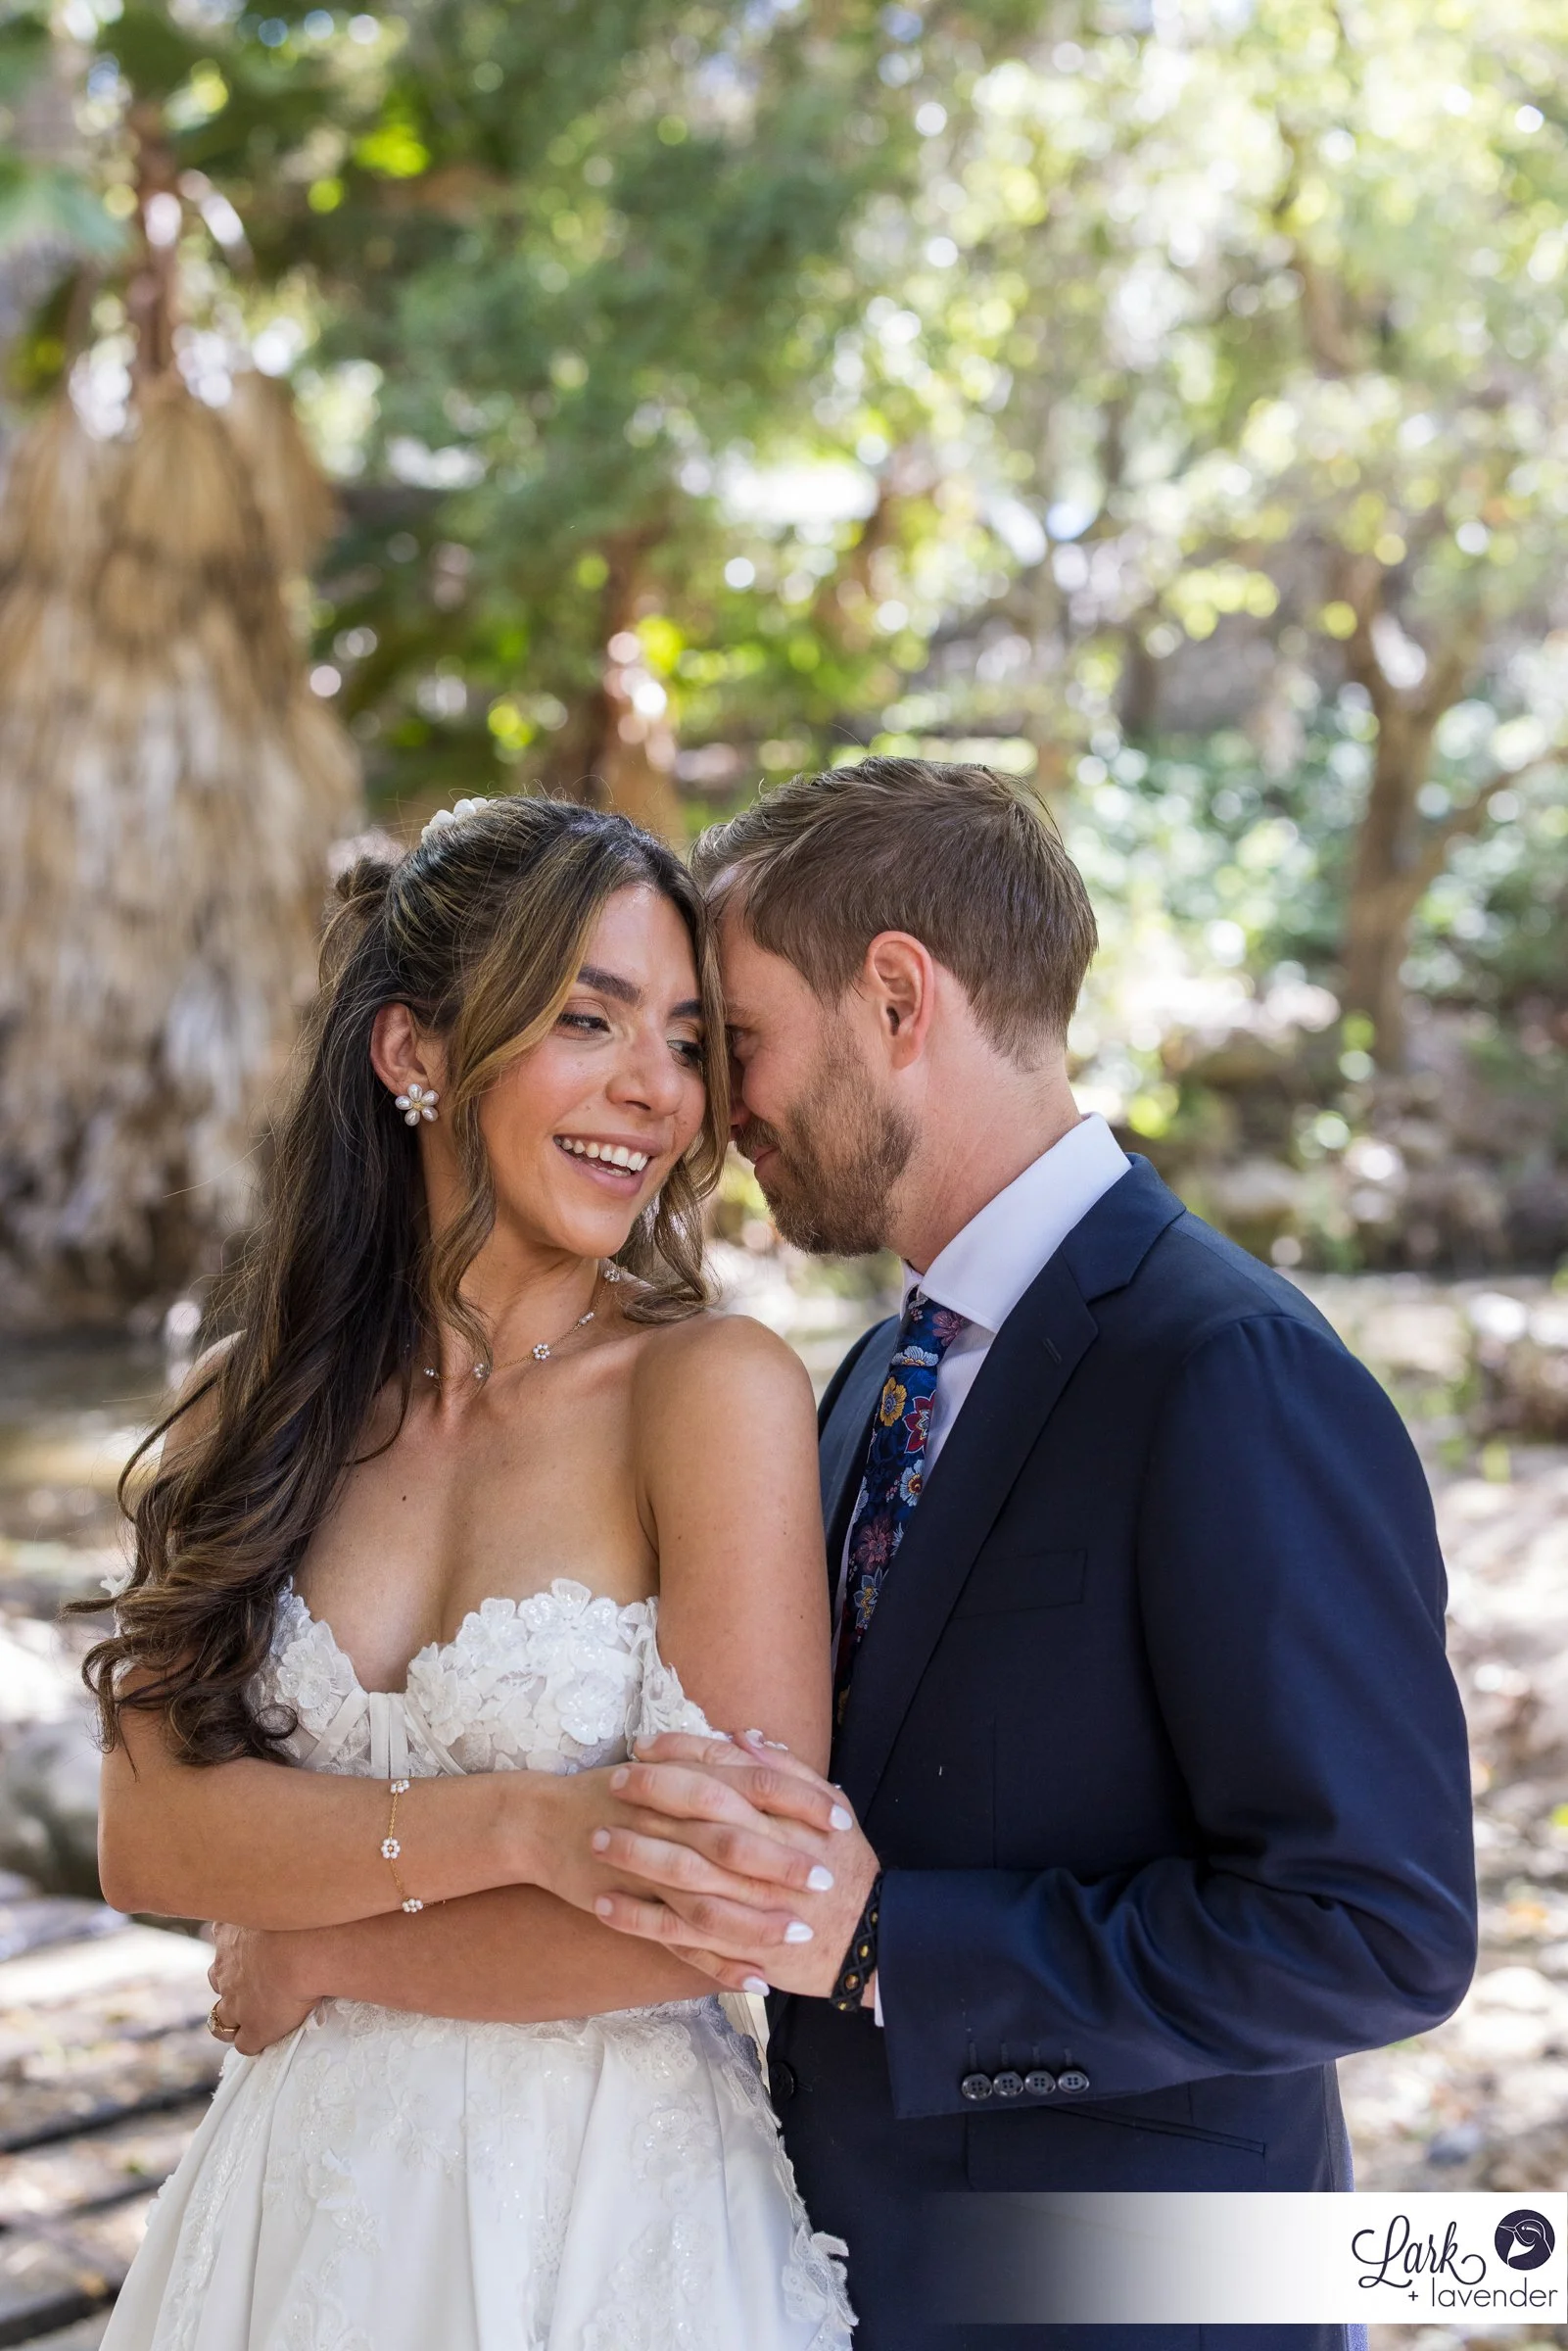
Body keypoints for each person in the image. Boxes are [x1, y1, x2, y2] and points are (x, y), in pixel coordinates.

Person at [571, 757, 1479, 2351]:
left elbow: (1377, 1931)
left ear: (899, 997)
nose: (721, 1109)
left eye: (744, 1042)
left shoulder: (1228, 1370)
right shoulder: (864, 1385)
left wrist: (892, 1949)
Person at [85, 796, 856, 2351]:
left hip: (606, 2218)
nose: (655, 1092)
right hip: (288, 2215)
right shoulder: (256, 1405)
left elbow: (724, 1914)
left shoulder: (709, 1392)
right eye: (589, 1019)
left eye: (692, 1042)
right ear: (414, 1054)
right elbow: (155, 1838)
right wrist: (522, 1822)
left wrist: (318, 1939)